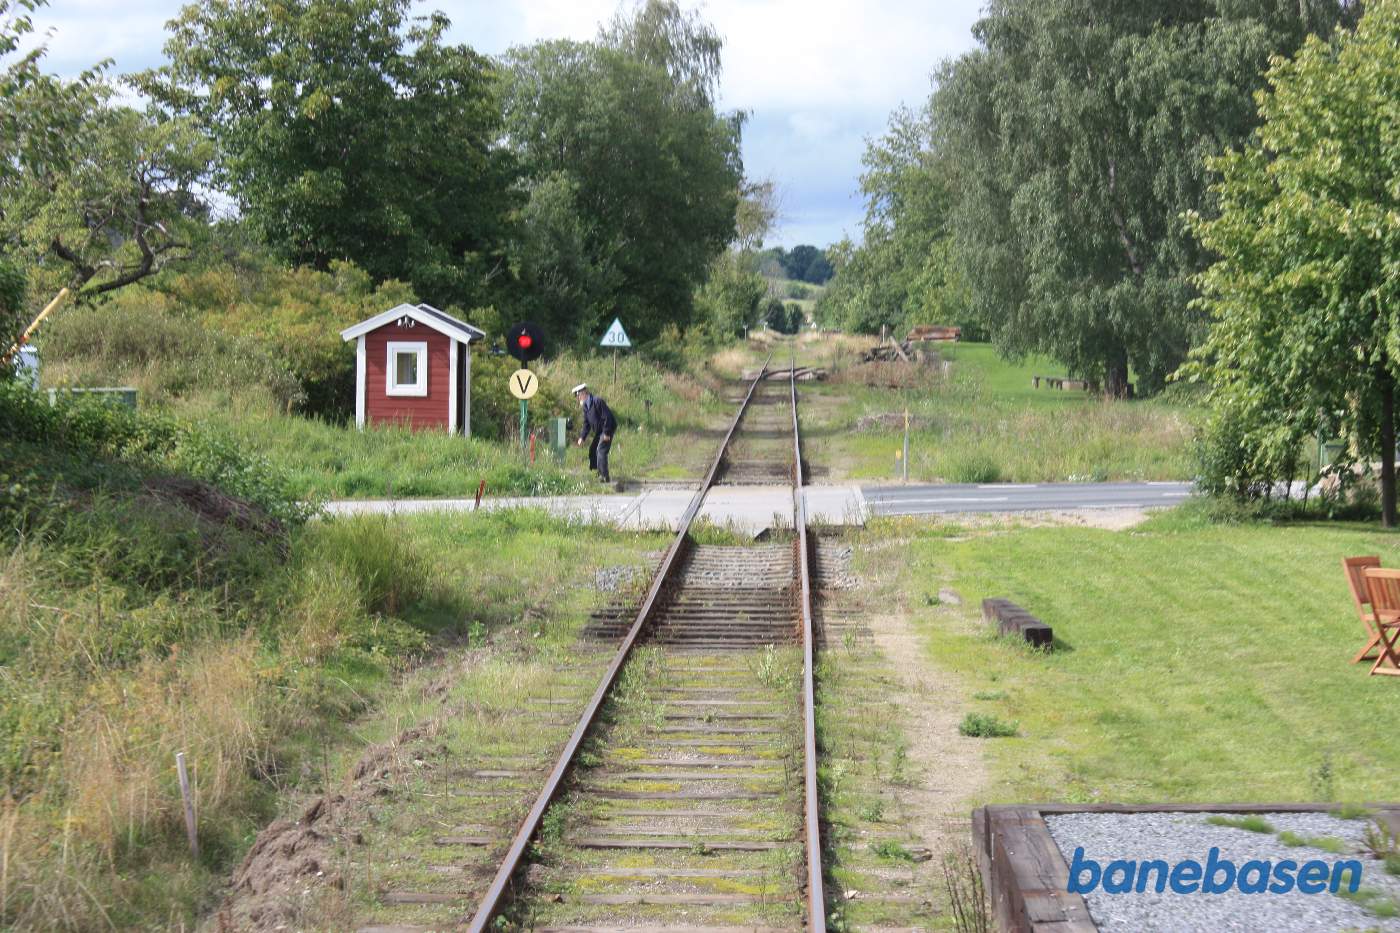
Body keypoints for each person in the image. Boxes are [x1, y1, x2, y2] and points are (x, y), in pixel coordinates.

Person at [573, 383, 617, 483]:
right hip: (599, 431)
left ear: (584, 393)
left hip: (607, 428)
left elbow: (608, 418)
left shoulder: (597, 401)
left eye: (578, 396)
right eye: (577, 396)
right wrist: (582, 437)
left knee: (601, 450)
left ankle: (604, 476)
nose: (578, 398)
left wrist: (606, 433)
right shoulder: (585, 406)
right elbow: (586, 424)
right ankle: (596, 472)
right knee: (593, 450)